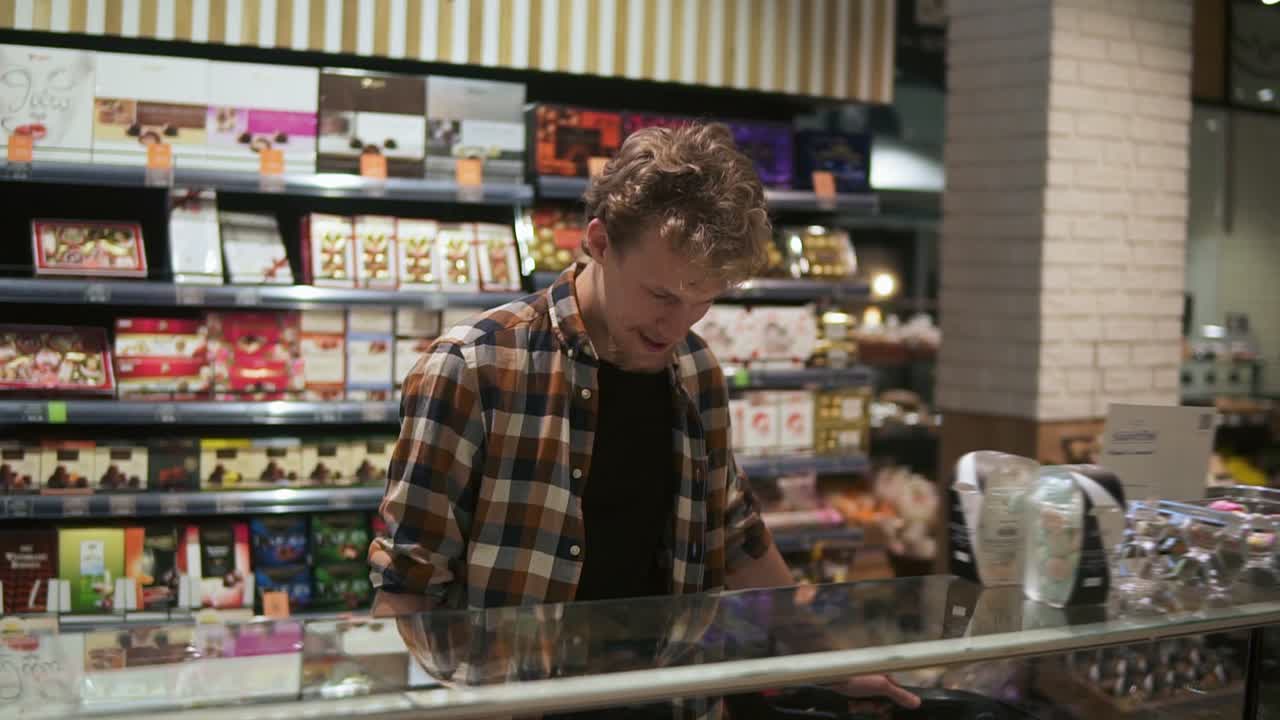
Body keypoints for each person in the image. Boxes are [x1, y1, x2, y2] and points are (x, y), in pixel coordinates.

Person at [368, 122, 919, 716]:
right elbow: (408, 587)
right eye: (661, 297)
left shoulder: (696, 372)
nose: (676, 327)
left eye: (702, 302)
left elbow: (735, 535)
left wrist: (830, 665)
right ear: (600, 242)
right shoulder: (473, 367)